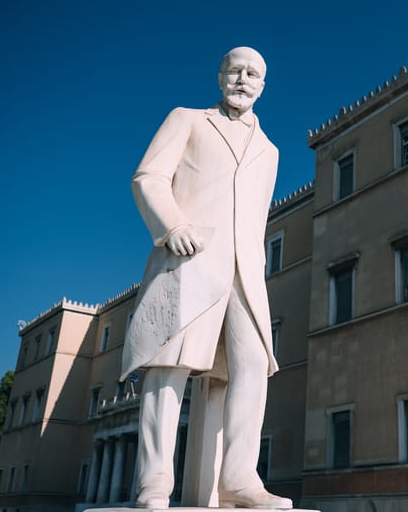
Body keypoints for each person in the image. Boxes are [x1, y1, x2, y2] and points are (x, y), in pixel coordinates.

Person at [120, 46, 292, 510]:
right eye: (235, 71)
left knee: (252, 366)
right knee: (169, 364)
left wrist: (255, 265)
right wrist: (171, 226)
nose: (243, 79)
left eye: (253, 73)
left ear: (262, 84)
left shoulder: (270, 151)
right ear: (220, 77)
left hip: (246, 272)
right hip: (191, 257)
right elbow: (148, 178)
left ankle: (238, 479)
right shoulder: (188, 119)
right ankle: (153, 484)